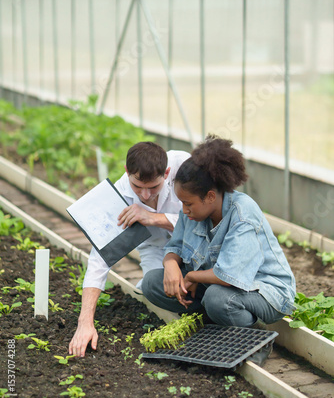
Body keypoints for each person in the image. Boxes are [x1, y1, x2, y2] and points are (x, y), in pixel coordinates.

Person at [142, 135, 296, 328]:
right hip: (215, 287)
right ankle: (210, 323)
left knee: (217, 299)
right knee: (152, 283)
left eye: (188, 203)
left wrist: (191, 276)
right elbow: (175, 246)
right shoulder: (191, 212)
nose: (183, 209)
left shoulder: (242, 214)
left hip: (264, 291)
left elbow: (228, 275)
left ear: (210, 196)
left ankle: (254, 340)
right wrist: (171, 263)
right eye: (181, 202)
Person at [69, 141, 190, 357]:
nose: (145, 195)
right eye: (137, 187)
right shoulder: (118, 196)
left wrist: (154, 218)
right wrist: (84, 322)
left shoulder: (184, 166)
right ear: (127, 172)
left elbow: (205, 217)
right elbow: (100, 260)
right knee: (157, 288)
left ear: (167, 173)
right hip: (155, 249)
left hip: (194, 244)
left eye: (153, 187)